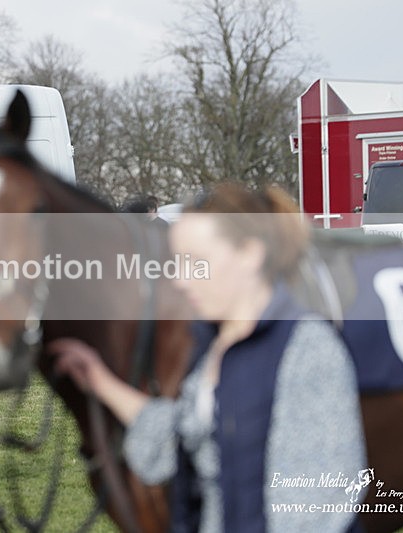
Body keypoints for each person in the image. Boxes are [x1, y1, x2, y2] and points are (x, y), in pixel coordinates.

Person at [52, 183, 366, 532]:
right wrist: (100, 381)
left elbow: (319, 505)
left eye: (196, 264)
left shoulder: (306, 347)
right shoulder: (212, 348)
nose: (181, 281)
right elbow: (182, 442)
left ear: (250, 254)